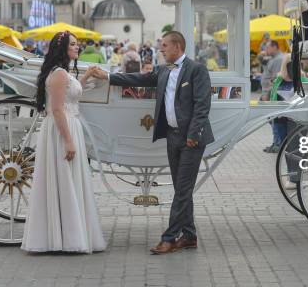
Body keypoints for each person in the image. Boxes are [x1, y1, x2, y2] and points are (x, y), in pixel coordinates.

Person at [89, 31, 214, 255]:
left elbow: (202, 105)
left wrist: (193, 135)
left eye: (165, 45)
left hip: (191, 139)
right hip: (173, 136)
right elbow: (138, 79)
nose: (161, 49)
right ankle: (189, 236)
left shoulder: (197, 70)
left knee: (183, 190)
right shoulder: (164, 70)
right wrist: (107, 76)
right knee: (181, 189)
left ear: (177, 46)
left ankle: (169, 238)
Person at [21, 31, 106, 254]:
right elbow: (57, 109)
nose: (78, 48)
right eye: (74, 45)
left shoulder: (61, 73)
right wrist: (68, 141)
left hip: (67, 125)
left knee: (66, 179)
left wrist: (86, 76)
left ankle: (64, 234)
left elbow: (71, 92)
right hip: (62, 129)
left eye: (77, 44)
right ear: (63, 49)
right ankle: (66, 237)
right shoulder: (59, 74)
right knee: (65, 179)